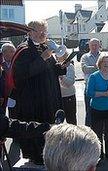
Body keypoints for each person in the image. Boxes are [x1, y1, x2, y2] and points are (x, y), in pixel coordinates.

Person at [9, 20, 66, 164]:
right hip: (33, 102)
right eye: (40, 31)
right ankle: (36, 158)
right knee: (37, 133)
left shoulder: (44, 47)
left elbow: (51, 70)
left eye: (44, 32)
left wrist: (61, 66)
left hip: (49, 98)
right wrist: (42, 59)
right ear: (30, 31)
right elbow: (21, 75)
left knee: (50, 131)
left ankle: (48, 157)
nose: (43, 35)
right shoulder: (23, 50)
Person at [87, 55, 108, 162]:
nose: (106, 64)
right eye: (103, 62)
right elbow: (89, 93)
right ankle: (98, 156)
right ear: (100, 64)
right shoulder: (94, 76)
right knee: (97, 134)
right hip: (97, 109)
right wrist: (103, 94)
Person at [81, 38, 101, 127]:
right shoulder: (85, 57)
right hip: (89, 88)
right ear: (89, 46)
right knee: (89, 112)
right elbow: (85, 69)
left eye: (96, 45)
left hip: (102, 87)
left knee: (101, 111)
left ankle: (101, 132)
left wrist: (92, 67)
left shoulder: (103, 55)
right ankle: (88, 132)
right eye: (92, 45)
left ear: (99, 45)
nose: (94, 46)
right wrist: (99, 67)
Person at [57, 54, 77, 125]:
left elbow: (70, 83)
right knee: (58, 121)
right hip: (58, 97)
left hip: (69, 97)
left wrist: (61, 76)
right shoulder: (54, 66)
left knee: (71, 121)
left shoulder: (70, 66)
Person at [0, 43, 15, 112]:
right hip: (2, 95)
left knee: (13, 115)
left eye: (11, 51)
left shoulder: (18, 64)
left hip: (14, 95)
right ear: (2, 53)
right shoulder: (1, 65)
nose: (8, 53)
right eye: (5, 51)